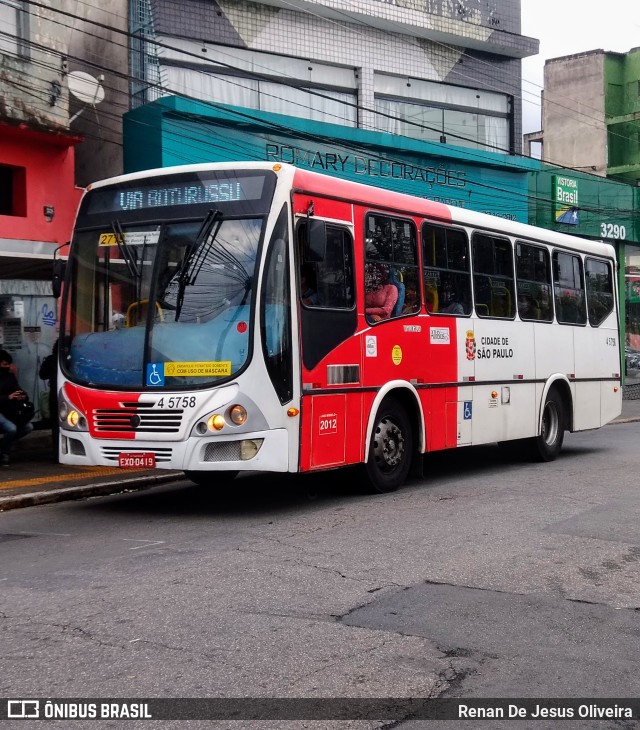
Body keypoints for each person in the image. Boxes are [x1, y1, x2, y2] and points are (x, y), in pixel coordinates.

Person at [0, 349, 34, 467]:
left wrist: (22, 396)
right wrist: (7, 397)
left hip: (9, 410)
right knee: (11, 428)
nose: (7, 366)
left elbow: (17, 389)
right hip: (2, 410)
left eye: (8, 364)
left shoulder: (9, 377)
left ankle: (3, 446)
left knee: (28, 427)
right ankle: (4, 453)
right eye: (4, 364)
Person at [39, 339, 59, 461]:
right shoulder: (72, 359)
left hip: (54, 394)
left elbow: (42, 375)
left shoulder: (51, 359)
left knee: (55, 424)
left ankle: (56, 452)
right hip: (71, 393)